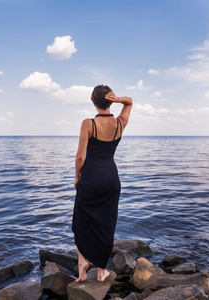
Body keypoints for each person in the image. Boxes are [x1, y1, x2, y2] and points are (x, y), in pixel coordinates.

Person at [72, 85, 132, 282]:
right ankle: (101, 270)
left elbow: (80, 156)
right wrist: (119, 99)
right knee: (107, 224)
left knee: (82, 220)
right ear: (110, 101)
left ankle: (82, 263)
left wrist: (77, 177)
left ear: (94, 102)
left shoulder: (88, 123)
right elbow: (129, 101)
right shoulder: (120, 123)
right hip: (111, 180)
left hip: (90, 178)